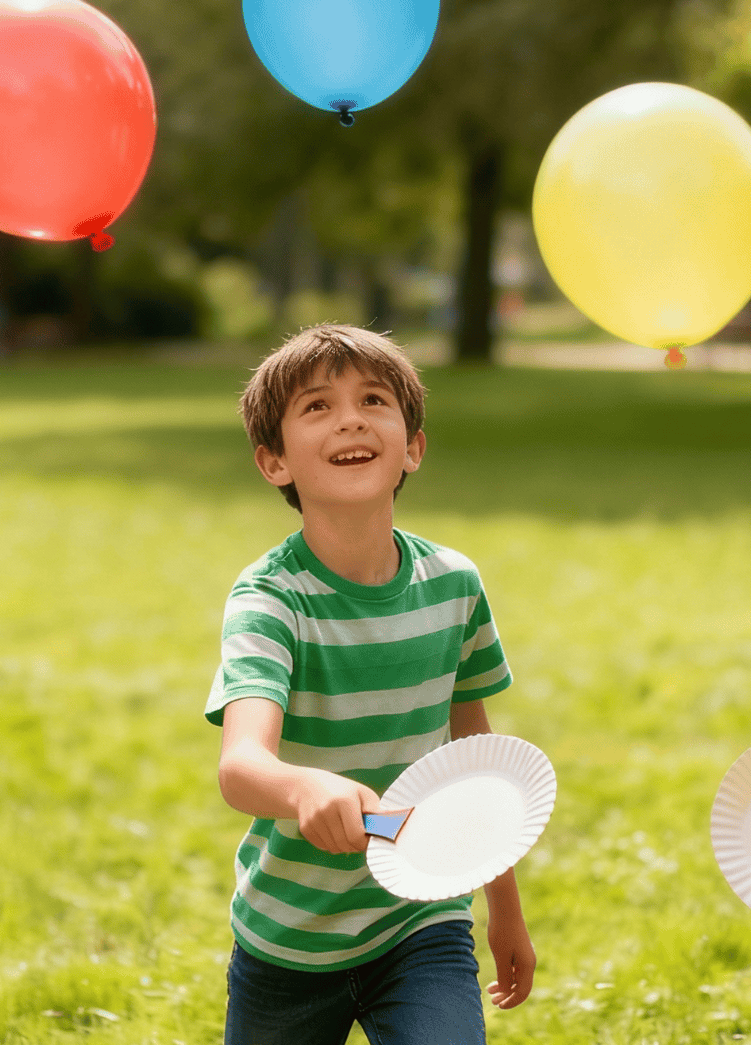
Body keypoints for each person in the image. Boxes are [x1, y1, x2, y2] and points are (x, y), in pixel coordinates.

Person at [208, 324, 534, 1045]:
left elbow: (473, 756)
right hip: (289, 939)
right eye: (316, 407)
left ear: (411, 446)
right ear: (274, 462)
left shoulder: (453, 584)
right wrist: (305, 789)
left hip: (421, 917)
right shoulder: (269, 600)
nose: (351, 417)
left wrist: (502, 905)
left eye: (374, 400)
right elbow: (241, 767)